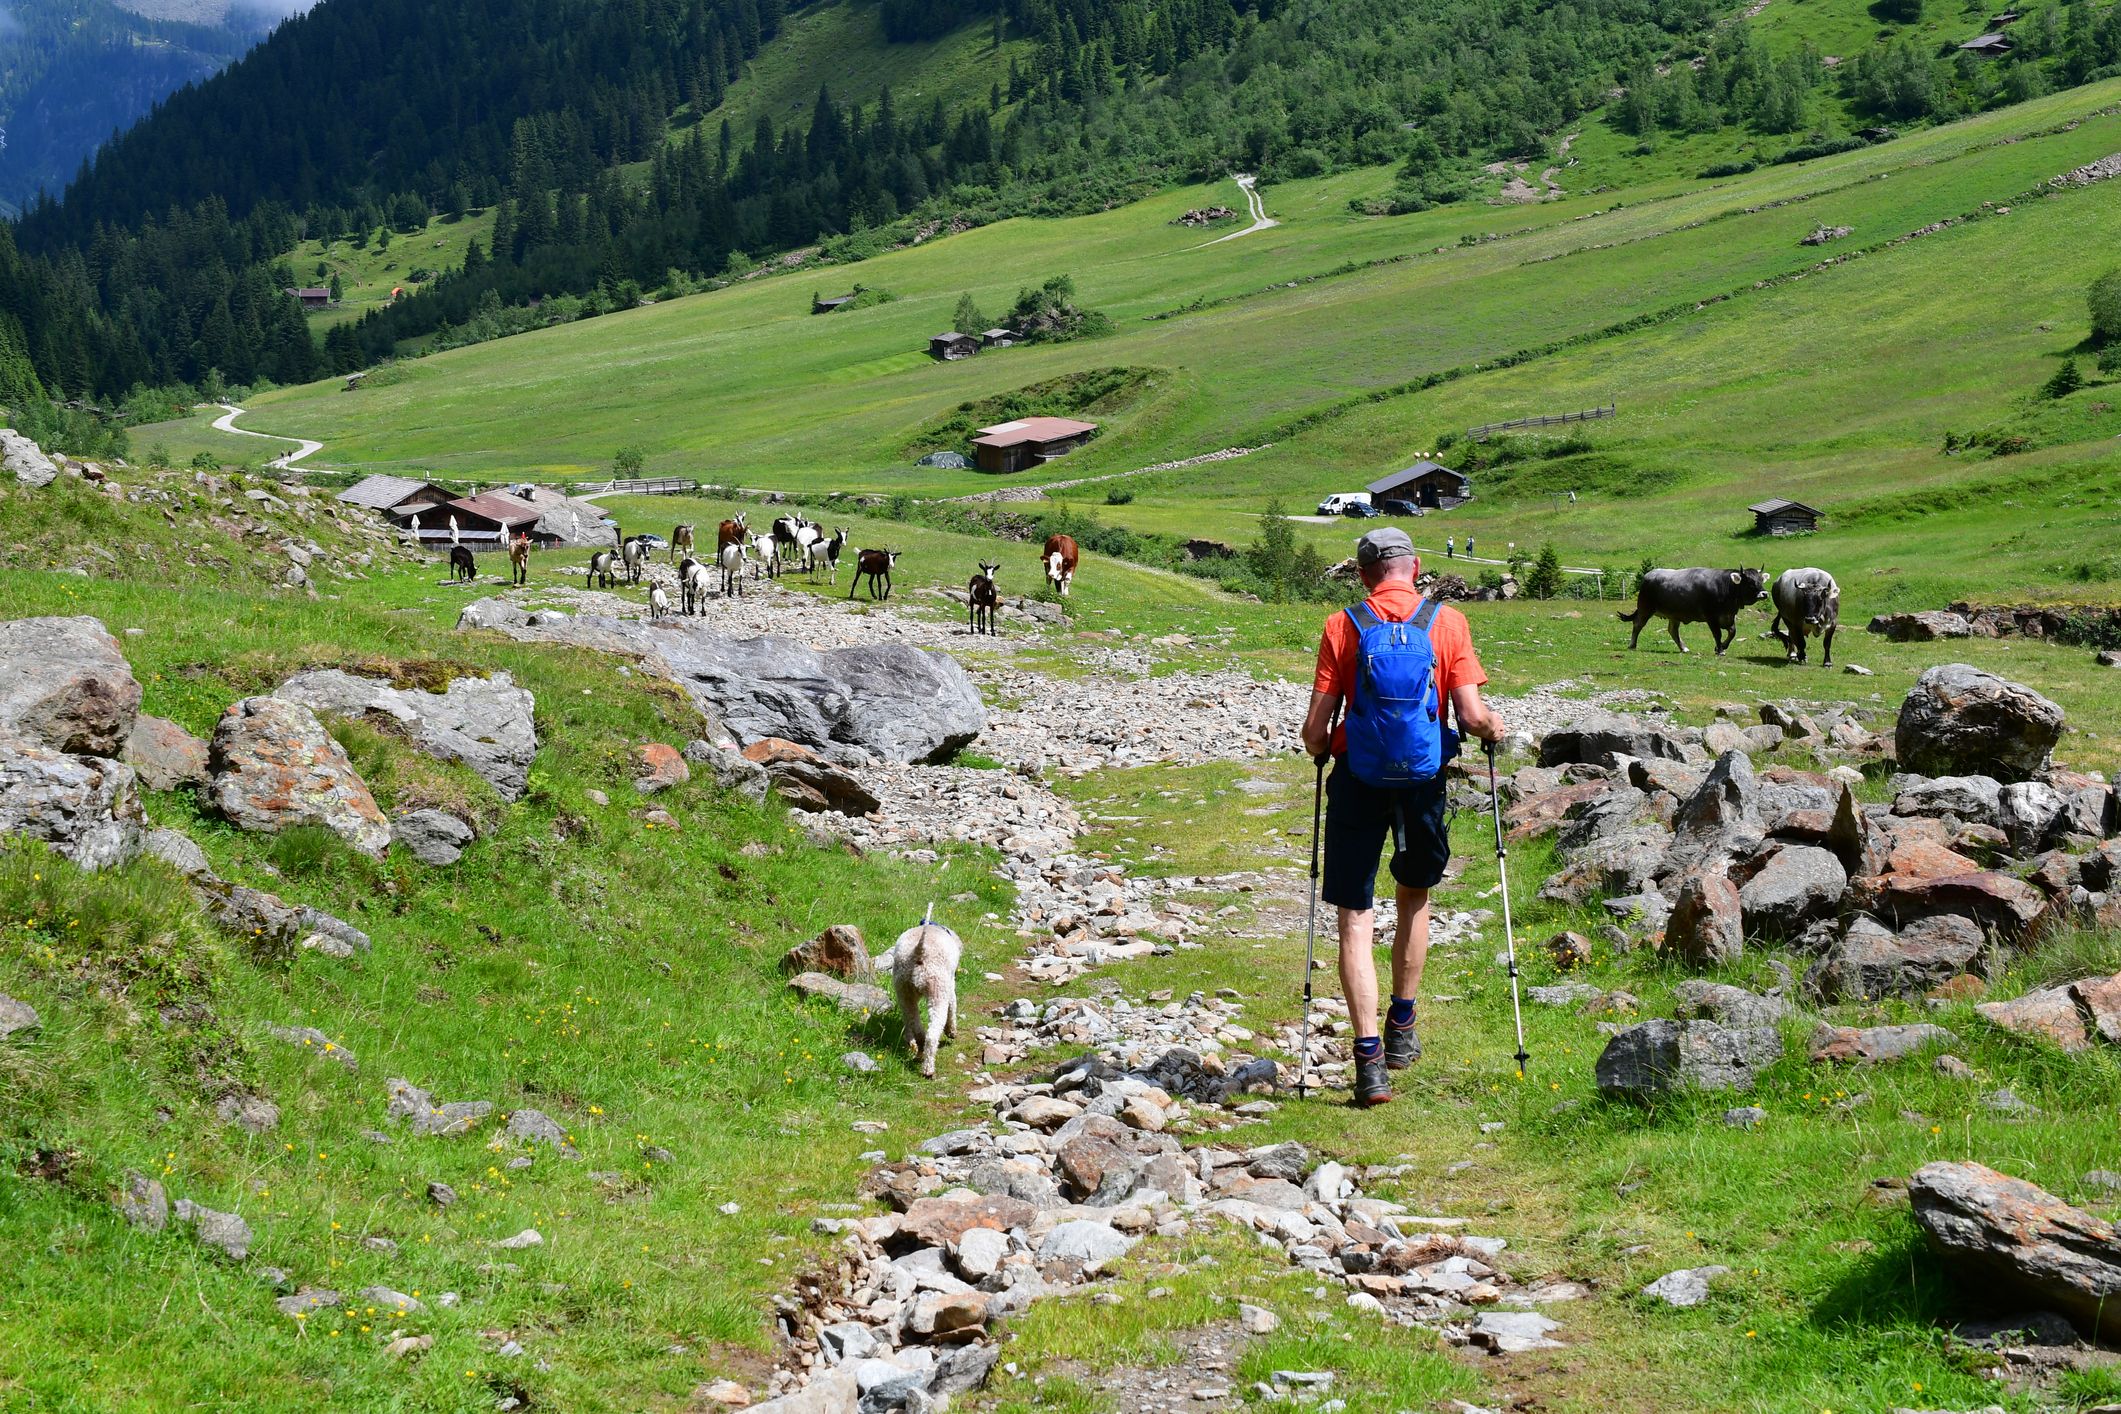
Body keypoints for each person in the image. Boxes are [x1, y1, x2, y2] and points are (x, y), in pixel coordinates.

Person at [1300, 527, 1504, 1107]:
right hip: (1422, 782)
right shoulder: (1447, 622)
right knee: (1414, 896)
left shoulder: (1344, 624)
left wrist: (1321, 748)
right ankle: (1403, 1029)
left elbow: (1315, 731)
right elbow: (1470, 714)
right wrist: (1495, 729)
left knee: (1354, 918)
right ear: (1414, 567)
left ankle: (1368, 1066)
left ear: (1364, 574)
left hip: (1358, 781)